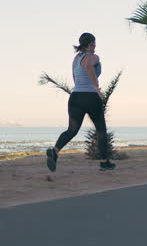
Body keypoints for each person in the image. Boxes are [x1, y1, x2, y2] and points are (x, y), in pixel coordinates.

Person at [46, 33, 116, 172]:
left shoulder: (76, 59)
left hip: (75, 97)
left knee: (72, 130)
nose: (95, 47)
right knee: (101, 130)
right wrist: (96, 87)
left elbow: (74, 76)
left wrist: (82, 87)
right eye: (94, 44)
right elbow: (89, 67)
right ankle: (104, 162)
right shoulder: (93, 57)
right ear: (89, 44)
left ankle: (55, 151)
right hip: (90, 96)